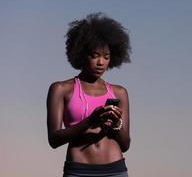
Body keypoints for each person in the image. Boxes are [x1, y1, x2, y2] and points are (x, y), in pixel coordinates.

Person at [47, 12, 131, 177]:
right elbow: (54, 140)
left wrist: (116, 123)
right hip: (78, 171)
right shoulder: (61, 89)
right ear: (81, 53)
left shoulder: (120, 92)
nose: (101, 62)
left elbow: (126, 144)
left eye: (106, 57)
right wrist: (89, 122)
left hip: (116, 170)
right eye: (95, 56)